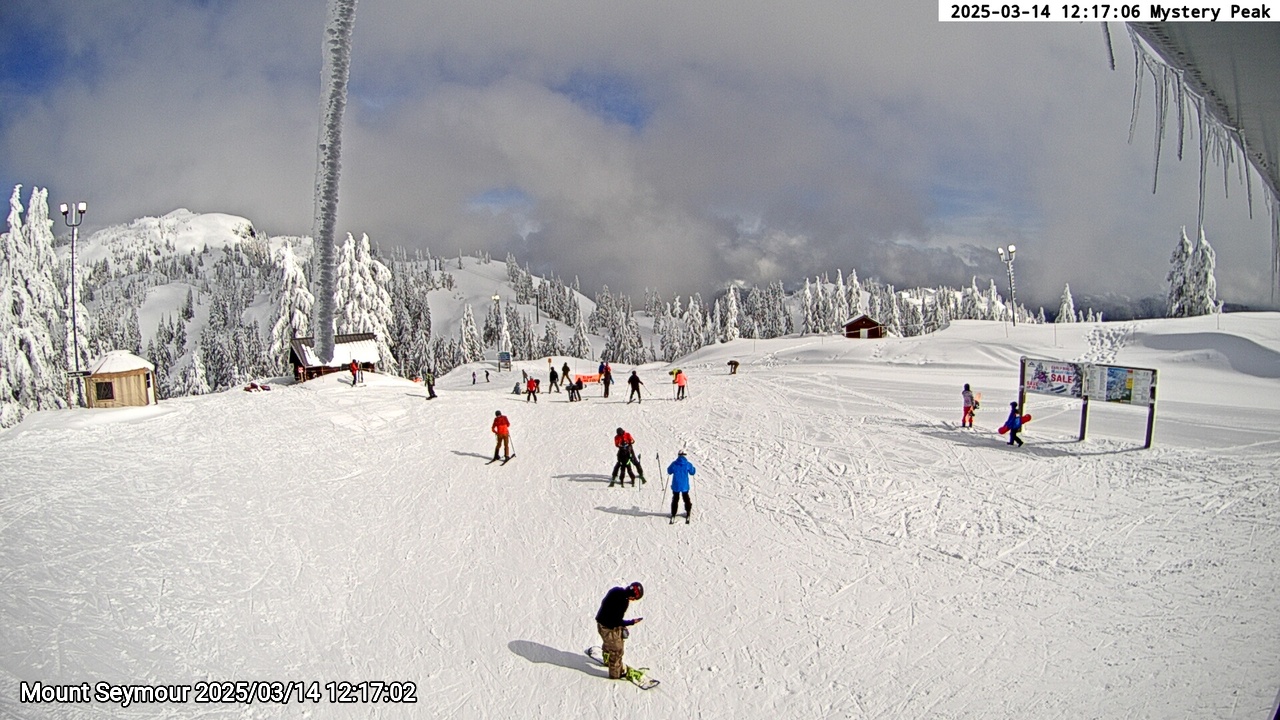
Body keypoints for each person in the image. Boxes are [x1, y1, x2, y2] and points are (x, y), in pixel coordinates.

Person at [595, 582, 644, 680]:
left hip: (601, 624)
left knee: (608, 644)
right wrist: (631, 622)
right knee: (616, 650)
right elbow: (616, 620)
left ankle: (606, 659)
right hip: (609, 629)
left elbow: (609, 610)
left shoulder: (616, 590)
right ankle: (616, 674)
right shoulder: (623, 602)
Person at [666, 450, 696, 524]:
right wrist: (694, 469)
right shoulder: (687, 464)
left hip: (676, 485)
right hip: (684, 485)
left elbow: (669, 471)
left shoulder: (674, 464)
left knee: (675, 499)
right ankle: (688, 511)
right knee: (686, 498)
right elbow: (692, 472)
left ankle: (673, 513)